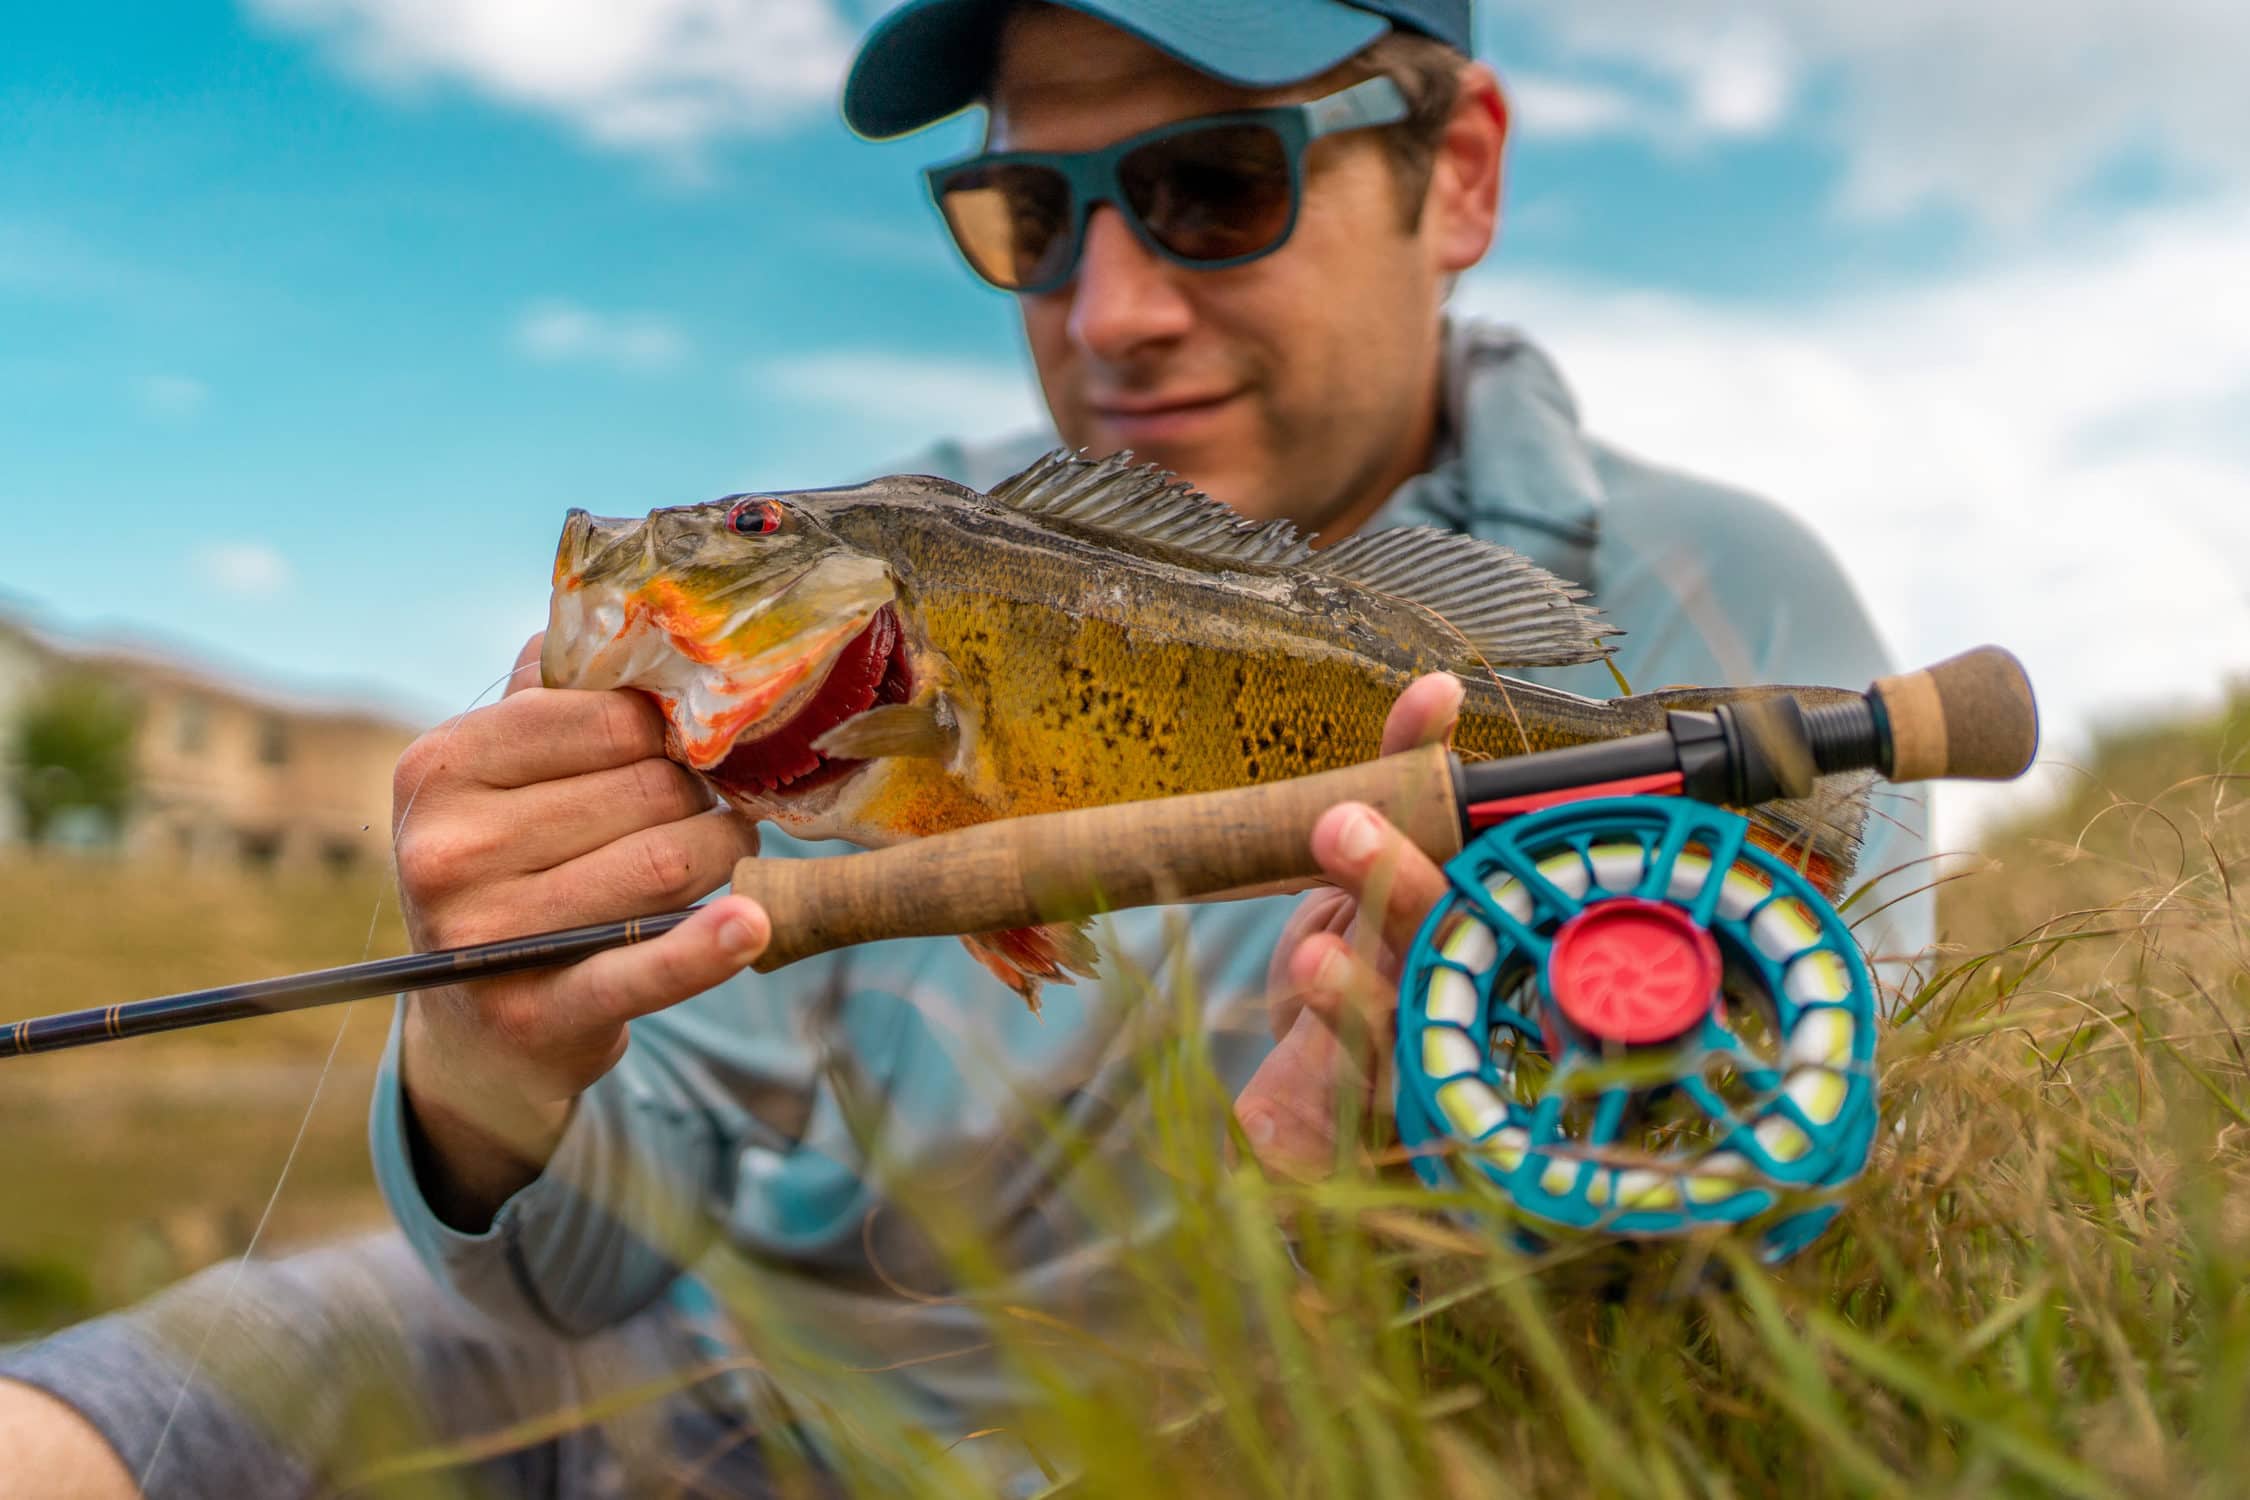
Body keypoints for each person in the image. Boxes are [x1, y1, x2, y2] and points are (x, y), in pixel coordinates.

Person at [0, 1, 1932, 1494]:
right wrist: (492, 1067)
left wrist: (1419, 1217)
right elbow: (581, 1265)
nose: (1109, 309)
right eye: (1029, 212)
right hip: (741, 1392)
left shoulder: (1716, 619)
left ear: (1459, 175)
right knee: (157, 1392)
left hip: (1227, 1440)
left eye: (1214, 188)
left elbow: (1777, 1209)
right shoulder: (895, 629)